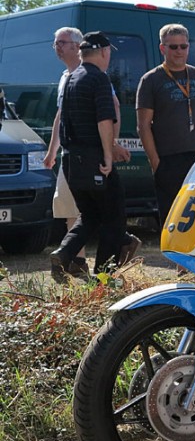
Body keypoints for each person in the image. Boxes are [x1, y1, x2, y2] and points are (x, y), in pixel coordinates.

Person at [44, 27, 140, 278]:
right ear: (104, 52)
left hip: (71, 161)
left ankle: (64, 253)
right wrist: (108, 155)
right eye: (109, 53)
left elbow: (63, 120)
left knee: (90, 214)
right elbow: (104, 120)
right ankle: (103, 278)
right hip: (94, 160)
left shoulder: (71, 79)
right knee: (114, 219)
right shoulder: (98, 79)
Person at [136, 24, 195, 227]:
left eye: (183, 46)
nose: (179, 51)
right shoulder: (150, 79)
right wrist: (155, 162)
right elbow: (143, 125)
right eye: (173, 47)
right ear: (162, 48)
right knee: (172, 215)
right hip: (168, 159)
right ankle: (174, 258)